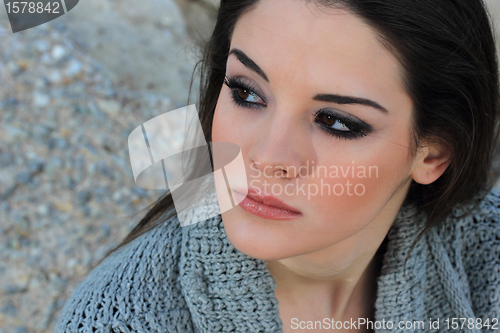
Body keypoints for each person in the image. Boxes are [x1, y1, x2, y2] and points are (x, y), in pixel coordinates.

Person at [55, 0, 500, 332]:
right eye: (246, 93)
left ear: (434, 153)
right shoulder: (119, 318)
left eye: (337, 122)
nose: (266, 158)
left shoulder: (486, 251)